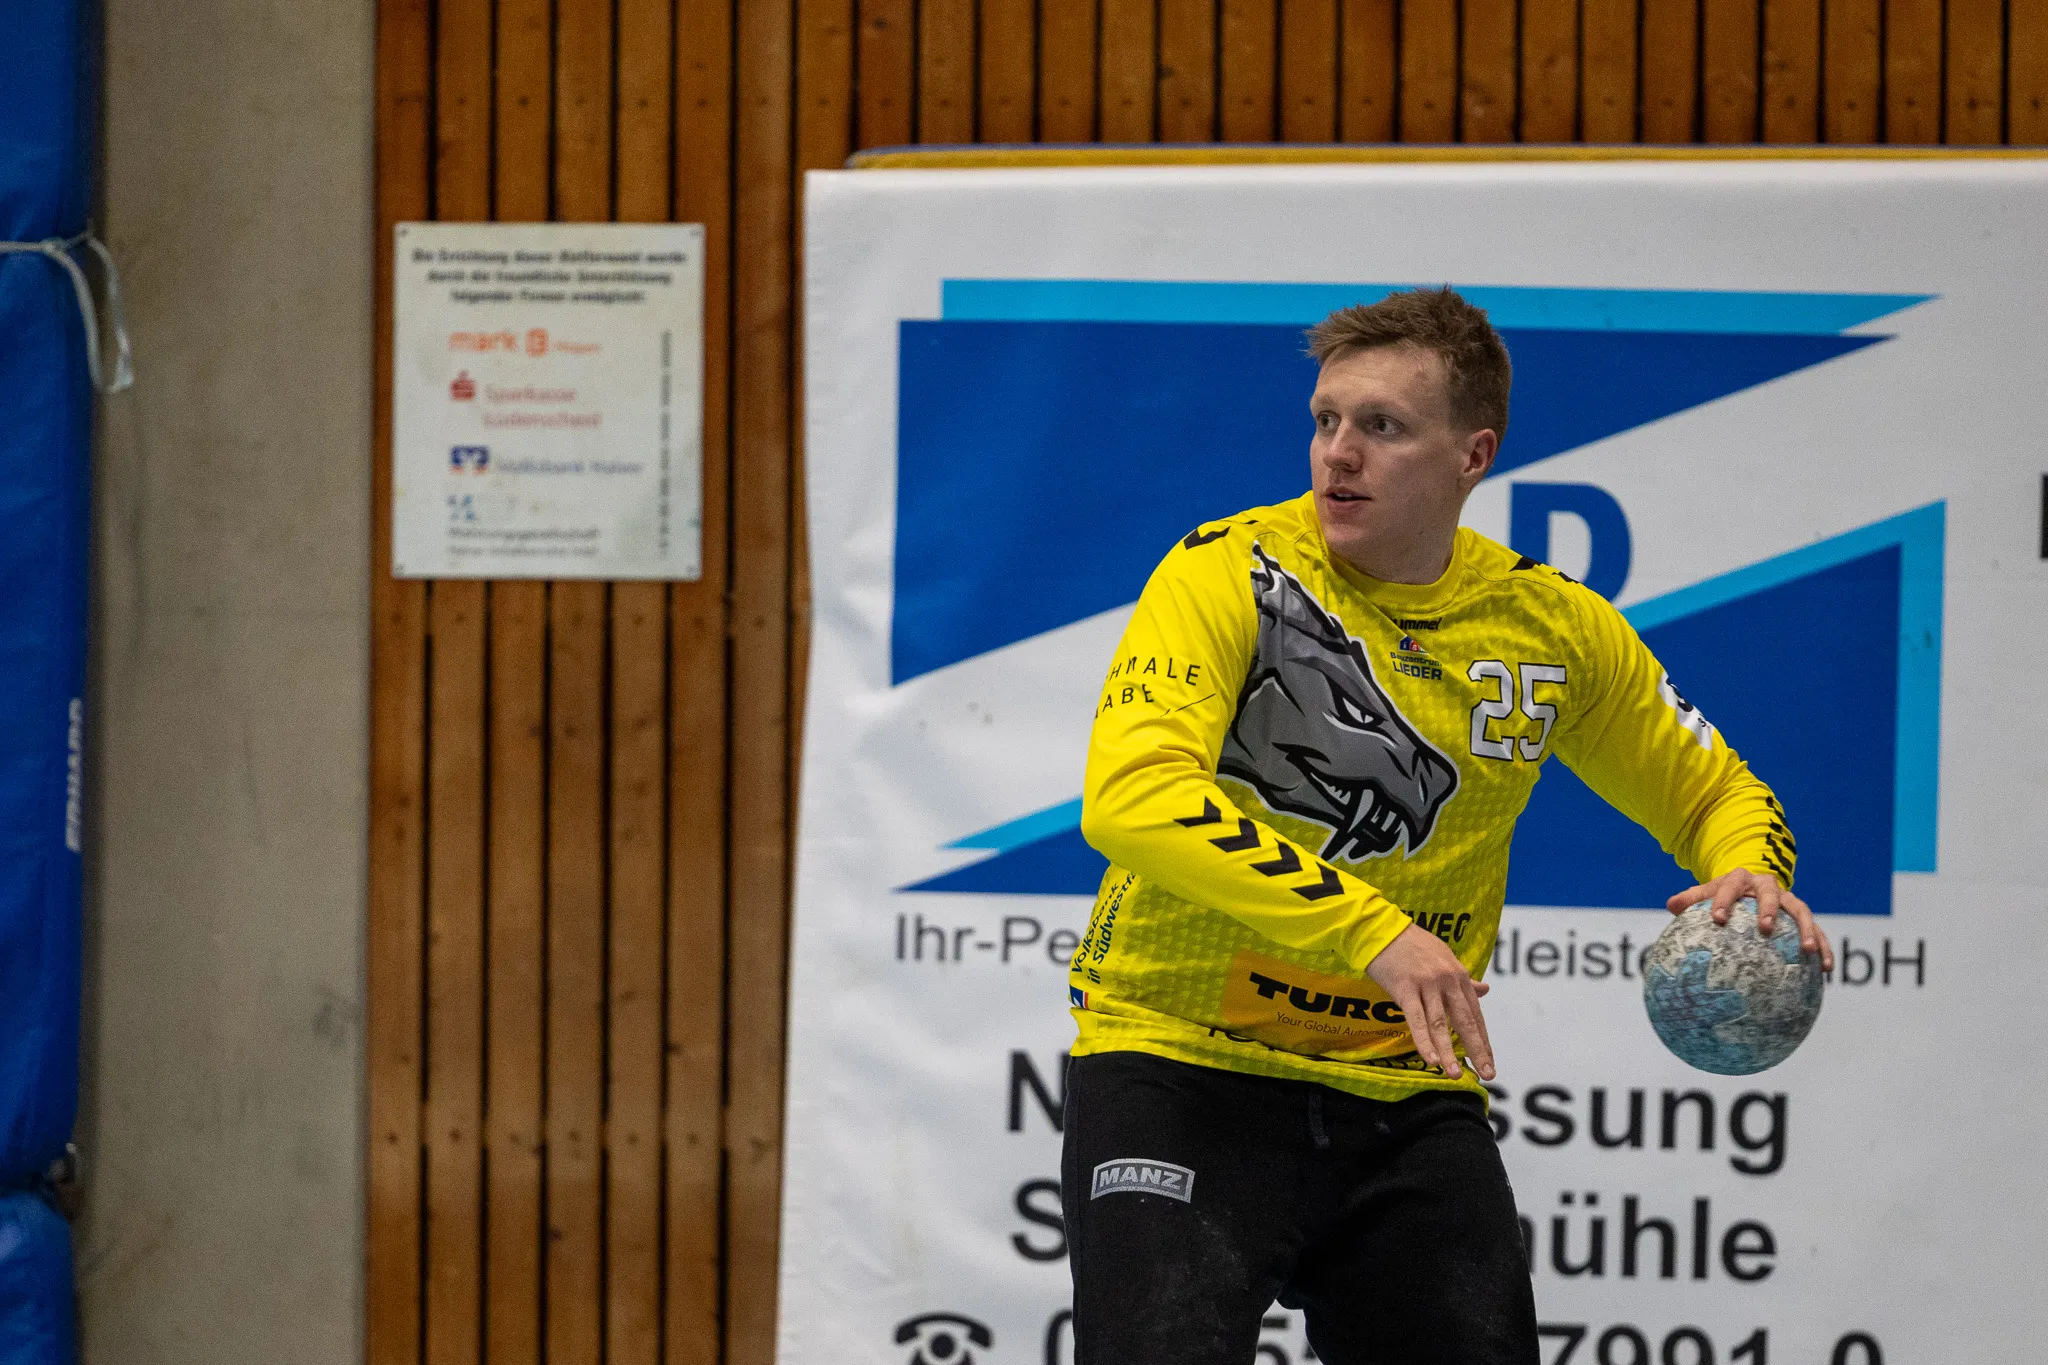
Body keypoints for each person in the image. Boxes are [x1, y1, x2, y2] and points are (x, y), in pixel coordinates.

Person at [1061, 286, 1833, 1365]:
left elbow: (1715, 792)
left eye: (1381, 426)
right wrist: (1372, 932)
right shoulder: (1226, 570)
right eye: (1326, 419)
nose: (1338, 454)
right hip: (1180, 1063)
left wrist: (1747, 870)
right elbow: (1131, 795)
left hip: (1401, 1088)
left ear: (1471, 454)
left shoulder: (1553, 628)